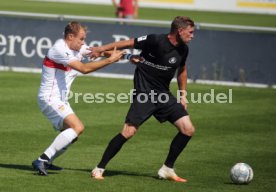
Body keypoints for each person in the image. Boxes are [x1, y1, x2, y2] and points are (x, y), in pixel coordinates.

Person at [90, 16, 196, 182]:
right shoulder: (155, 40)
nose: (192, 36)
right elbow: (127, 43)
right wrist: (100, 49)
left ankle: (167, 169)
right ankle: (99, 167)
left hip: (163, 95)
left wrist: (183, 95)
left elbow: (182, 71)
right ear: (180, 31)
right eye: (190, 32)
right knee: (128, 132)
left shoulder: (184, 49)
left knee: (188, 129)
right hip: (144, 94)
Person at [32, 21, 124, 176]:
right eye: (81, 39)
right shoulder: (59, 49)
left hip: (59, 99)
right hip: (49, 98)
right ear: (70, 36)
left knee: (71, 136)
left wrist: (128, 56)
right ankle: (42, 160)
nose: (83, 43)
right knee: (78, 127)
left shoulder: (76, 47)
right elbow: (84, 68)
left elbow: (98, 52)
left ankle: (47, 161)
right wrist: (111, 60)